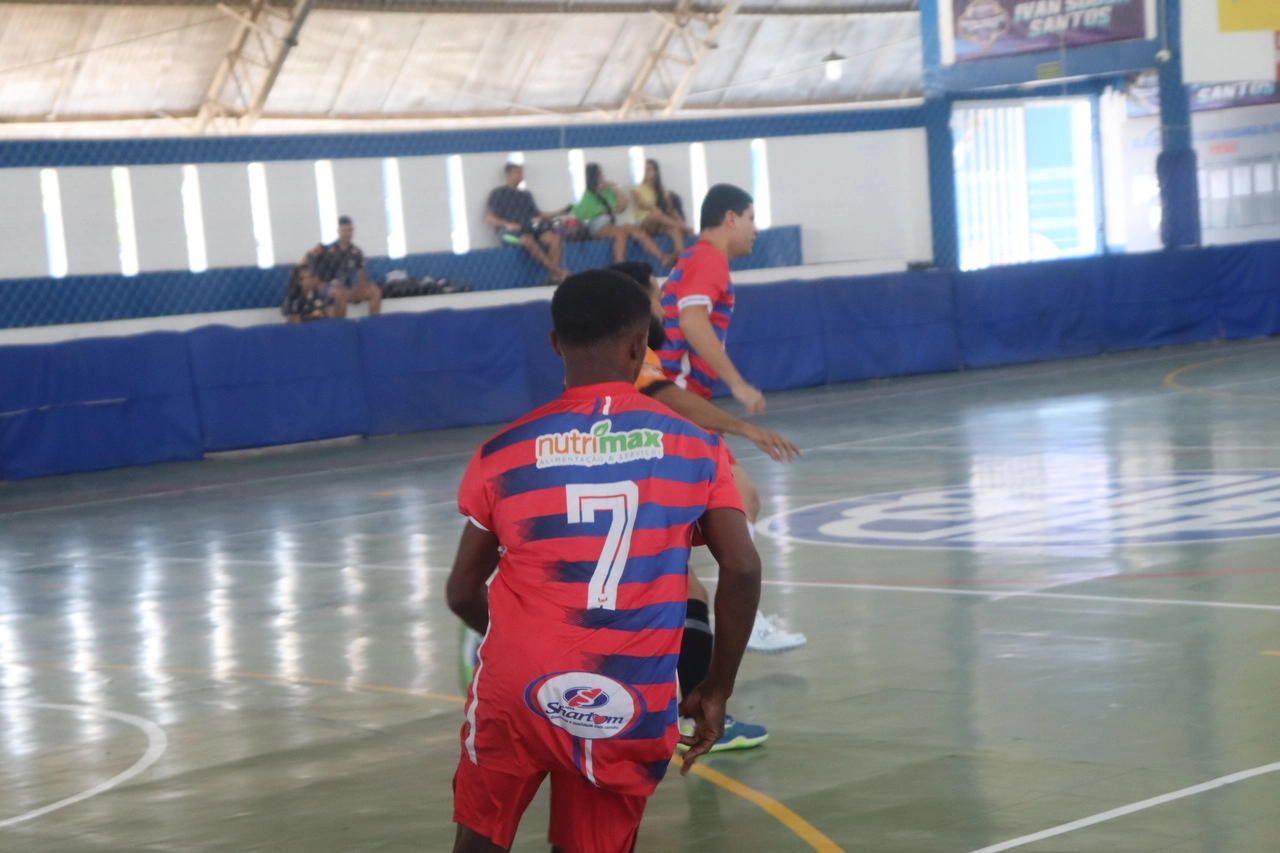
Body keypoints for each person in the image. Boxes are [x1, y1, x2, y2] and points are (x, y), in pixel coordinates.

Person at [447, 269, 761, 853]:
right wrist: (715, 688)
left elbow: (462, 591)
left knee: (481, 839)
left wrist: (522, 641)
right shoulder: (695, 445)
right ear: (639, 346)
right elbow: (741, 568)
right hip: (625, 691)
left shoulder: (502, 452)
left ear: (554, 343)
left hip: (516, 686)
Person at [614, 260, 802, 751]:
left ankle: (681, 708)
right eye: (656, 296)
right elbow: (664, 396)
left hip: (623, 484)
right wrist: (742, 425)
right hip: (629, 486)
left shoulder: (619, 359)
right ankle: (696, 708)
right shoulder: (639, 361)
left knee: (688, 586)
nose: (663, 305)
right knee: (681, 587)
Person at [657, 185, 808, 654]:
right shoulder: (709, 260)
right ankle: (730, 615)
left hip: (680, 407)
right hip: (678, 410)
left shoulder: (691, 259)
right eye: (750, 217)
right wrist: (738, 385)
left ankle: (706, 601)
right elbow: (692, 322)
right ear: (729, 219)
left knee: (742, 502)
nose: (755, 229)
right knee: (738, 504)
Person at [572, 163, 676, 268]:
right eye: (600, 174)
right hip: (599, 225)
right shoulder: (588, 195)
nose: (603, 176)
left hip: (614, 223)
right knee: (620, 233)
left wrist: (616, 188)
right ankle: (619, 265)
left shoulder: (608, 191)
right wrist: (610, 210)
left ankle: (663, 258)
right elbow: (591, 212)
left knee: (636, 231)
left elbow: (622, 206)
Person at [484, 163, 570, 284]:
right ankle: (556, 271)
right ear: (508, 175)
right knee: (527, 240)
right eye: (517, 173)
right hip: (508, 233)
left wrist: (559, 212)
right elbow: (489, 217)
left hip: (530, 227)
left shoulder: (526, 195)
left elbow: (538, 215)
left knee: (554, 238)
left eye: (521, 173)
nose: (520, 176)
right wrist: (507, 224)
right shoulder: (498, 193)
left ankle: (554, 276)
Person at [308, 216, 381, 319]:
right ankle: (340, 327)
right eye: (344, 230)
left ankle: (374, 324)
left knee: (375, 291)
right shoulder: (326, 250)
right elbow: (309, 265)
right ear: (338, 231)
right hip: (329, 288)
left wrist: (357, 290)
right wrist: (318, 284)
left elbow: (362, 274)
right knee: (340, 294)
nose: (347, 234)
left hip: (348, 288)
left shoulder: (356, 252)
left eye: (349, 230)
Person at [632, 159, 694, 257]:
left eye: (650, 169)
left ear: (656, 172)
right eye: (645, 169)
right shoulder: (637, 189)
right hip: (644, 222)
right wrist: (653, 208)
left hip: (660, 223)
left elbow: (670, 209)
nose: (647, 172)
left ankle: (680, 253)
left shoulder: (661, 190)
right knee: (656, 214)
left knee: (674, 230)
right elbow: (641, 204)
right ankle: (683, 227)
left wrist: (679, 220)